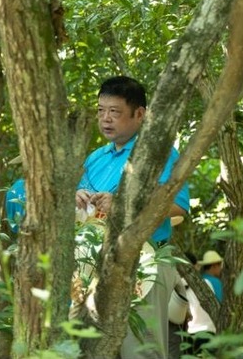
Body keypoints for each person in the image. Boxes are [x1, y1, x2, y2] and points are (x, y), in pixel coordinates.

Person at [75, 76, 190, 359]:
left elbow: (178, 208)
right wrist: (75, 198)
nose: (105, 119)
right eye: (101, 110)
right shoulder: (95, 158)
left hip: (145, 265)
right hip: (94, 268)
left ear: (140, 114)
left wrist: (126, 205)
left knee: (142, 351)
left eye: (114, 111)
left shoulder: (158, 154)